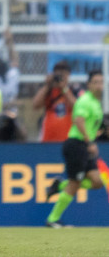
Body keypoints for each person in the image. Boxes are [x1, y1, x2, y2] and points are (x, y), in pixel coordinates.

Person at [45, 70, 106, 228]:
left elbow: (93, 125)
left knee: (97, 182)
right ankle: (52, 219)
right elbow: (79, 121)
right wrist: (90, 142)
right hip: (76, 145)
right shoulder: (85, 101)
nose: (99, 85)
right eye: (96, 82)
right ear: (89, 84)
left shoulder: (96, 103)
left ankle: (59, 185)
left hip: (84, 145)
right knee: (74, 183)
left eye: (101, 82)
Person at [33, 61, 78, 142]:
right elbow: (35, 105)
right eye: (58, 75)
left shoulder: (73, 90)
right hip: (48, 137)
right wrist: (48, 85)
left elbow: (76, 107)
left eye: (63, 75)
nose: (60, 78)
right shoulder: (48, 91)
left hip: (68, 137)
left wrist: (64, 88)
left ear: (68, 75)